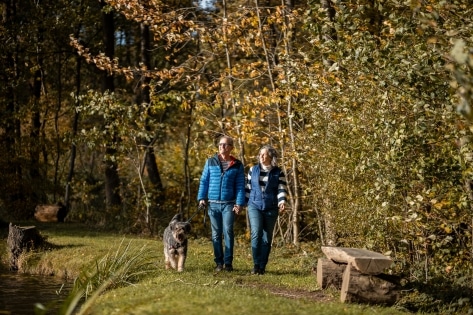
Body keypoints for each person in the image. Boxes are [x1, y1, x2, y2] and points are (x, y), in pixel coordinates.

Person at [197, 135, 246, 272]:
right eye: (220, 144)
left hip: (228, 204)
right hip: (212, 204)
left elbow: (240, 186)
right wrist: (202, 198)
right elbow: (204, 181)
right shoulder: (210, 162)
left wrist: (239, 203)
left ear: (231, 147)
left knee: (228, 232)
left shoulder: (237, 164)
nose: (221, 147)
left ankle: (228, 263)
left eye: (224, 145)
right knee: (216, 234)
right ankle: (219, 262)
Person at [245, 145, 287, 275]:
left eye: (264, 154)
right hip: (254, 205)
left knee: (267, 238)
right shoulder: (253, 170)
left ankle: (262, 266)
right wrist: (242, 204)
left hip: (271, 207)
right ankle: (256, 264)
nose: (261, 157)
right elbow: (247, 188)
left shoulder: (278, 172)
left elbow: (281, 189)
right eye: (260, 154)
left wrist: (282, 202)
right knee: (256, 233)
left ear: (271, 156)